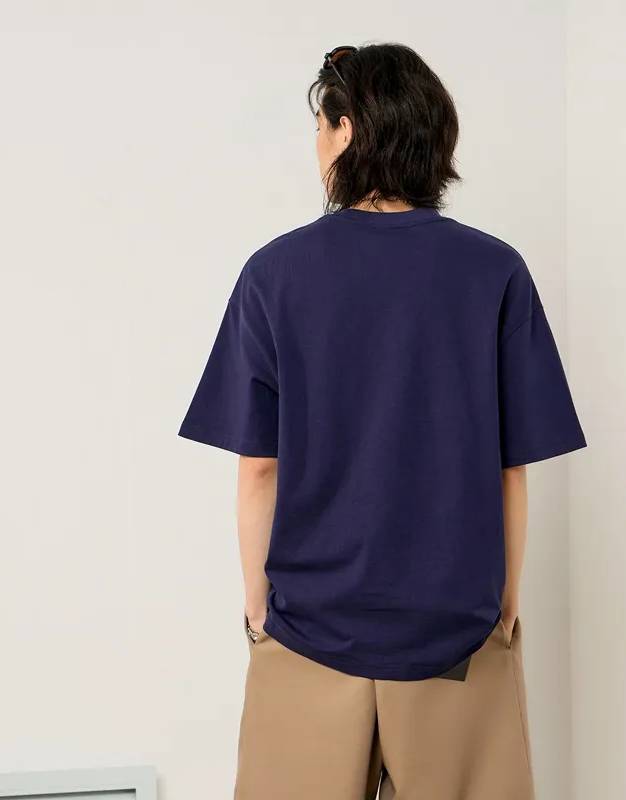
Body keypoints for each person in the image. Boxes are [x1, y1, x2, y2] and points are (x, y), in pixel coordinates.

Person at [178, 42, 585, 800]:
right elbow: (510, 470)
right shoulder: (494, 270)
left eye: (320, 126)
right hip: (456, 639)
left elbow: (259, 469)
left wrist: (260, 613)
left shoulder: (274, 273)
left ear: (346, 130)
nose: (316, 145)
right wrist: (502, 610)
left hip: (308, 634)